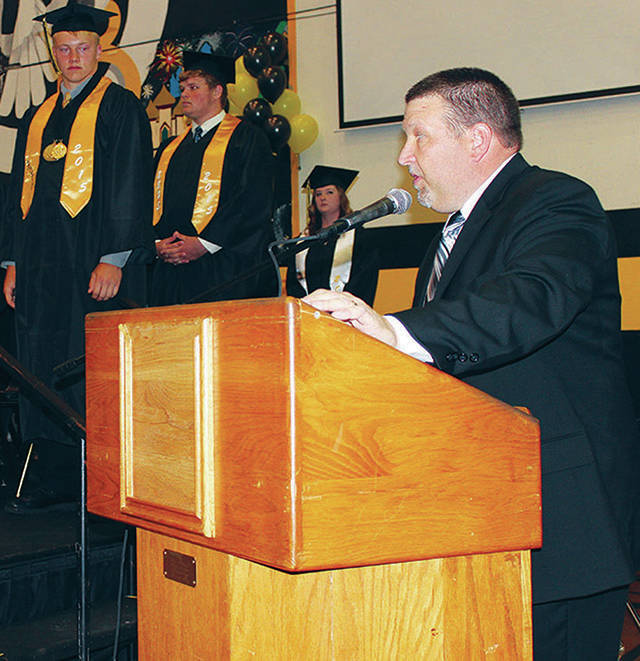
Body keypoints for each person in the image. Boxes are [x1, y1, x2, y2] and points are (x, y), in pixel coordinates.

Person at [304, 68, 639, 660]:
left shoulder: (557, 200)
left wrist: (397, 329)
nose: (405, 156)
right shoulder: (454, 229)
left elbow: (531, 298)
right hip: (483, 509)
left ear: (478, 139)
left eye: (418, 137)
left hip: (558, 519)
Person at [2, 2, 154, 513]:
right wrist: (13, 263)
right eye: (63, 49)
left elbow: (131, 185)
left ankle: (96, 477)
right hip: (40, 267)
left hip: (90, 263)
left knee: (82, 361)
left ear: (99, 49)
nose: (72, 58)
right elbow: (18, 197)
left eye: (82, 48)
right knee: (39, 360)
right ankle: (50, 472)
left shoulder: (119, 107)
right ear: (52, 52)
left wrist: (114, 257)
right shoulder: (37, 116)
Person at [149, 51, 276, 306]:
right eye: (182, 88)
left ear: (217, 92)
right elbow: (147, 201)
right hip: (171, 275)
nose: (183, 94)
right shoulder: (168, 148)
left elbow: (252, 201)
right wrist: (158, 245)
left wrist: (204, 243)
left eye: (193, 87)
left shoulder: (247, 139)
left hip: (224, 271)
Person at [286, 165, 379, 306]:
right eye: (318, 194)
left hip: (347, 313)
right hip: (309, 313)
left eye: (329, 192)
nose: (323, 197)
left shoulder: (359, 237)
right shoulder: (304, 240)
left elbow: (365, 279)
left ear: (341, 197)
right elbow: (294, 283)